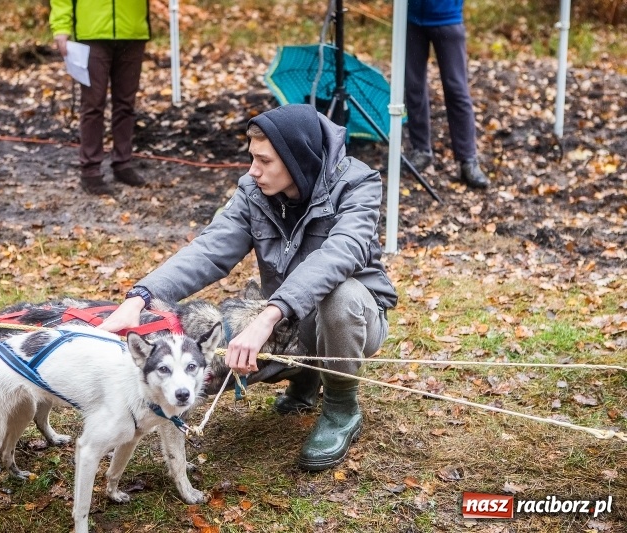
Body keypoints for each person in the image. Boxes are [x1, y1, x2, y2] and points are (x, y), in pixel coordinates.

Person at [98, 104, 398, 471]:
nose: (252, 170)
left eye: (264, 161)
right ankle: (304, 375)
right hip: (287, 319)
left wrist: (267, 318)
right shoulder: (254, 191)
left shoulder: (357, 184)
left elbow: (339, 254)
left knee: (340, 296)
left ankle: (340, 406)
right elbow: (210, 250)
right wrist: (141, 296)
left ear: (297, 159)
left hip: (353, 320)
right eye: (251, 158)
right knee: (208, 355)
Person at [50, 0, 149, 195]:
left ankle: (123, 163)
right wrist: (61, 27)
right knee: (93, 104)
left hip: (132, 31)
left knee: (126, 104)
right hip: (91, 33)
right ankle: (90, 170)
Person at [405, 0, 490, 189]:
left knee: (456, 90)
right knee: (413, 87)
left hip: (447, 18)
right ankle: (421, 151)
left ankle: (468, 159)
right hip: (411, 19)